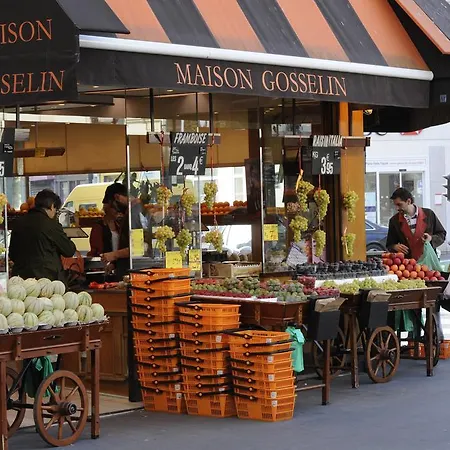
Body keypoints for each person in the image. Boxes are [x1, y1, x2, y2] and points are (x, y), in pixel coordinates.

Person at [9, 189, 76, 283]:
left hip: (21, 281)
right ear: (52, 206)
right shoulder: (51, 225)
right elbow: (69, 250)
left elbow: (12, 254)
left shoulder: (19, 223)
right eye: (56, 210)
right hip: (47, 281)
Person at [386, 187, 446, 260]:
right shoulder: (394, 221)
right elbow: (389, 244)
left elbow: (442, 234)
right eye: (395, 205)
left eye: (399, 204)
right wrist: (395, 247)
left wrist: (431, 238)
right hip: (407, 264)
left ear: (408, 201)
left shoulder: (429, 214)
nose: (397, 208)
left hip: (429, 261)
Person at [98, 183, 130, 278]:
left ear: (117, 197)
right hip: (124, 271)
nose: (116, 210)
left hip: (131, 272)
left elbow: (138, 248)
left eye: (112, 206)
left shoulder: (133, 213)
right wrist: (115, 264)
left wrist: (114, 255)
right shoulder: (128, 214)